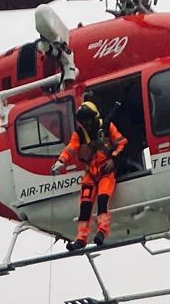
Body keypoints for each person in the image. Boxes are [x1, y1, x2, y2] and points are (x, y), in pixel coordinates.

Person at [50, 100, 128, 251]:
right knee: (85, 206)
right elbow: (71, 148)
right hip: (91, 173)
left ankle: (102, 232)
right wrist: (61, 161)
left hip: (106, 172)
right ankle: (81, 238)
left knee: (103, 200)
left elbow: (122, 143)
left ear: (94, 117)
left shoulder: (107, 127)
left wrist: (113, 159)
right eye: (83, 121)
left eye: (87, 120)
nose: (86, 124)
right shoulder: (79, 134)